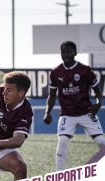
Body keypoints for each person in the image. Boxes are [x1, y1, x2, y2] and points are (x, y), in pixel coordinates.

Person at [43, 41, 105, 171]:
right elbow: (52, 95)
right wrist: (47, 112)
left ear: (75, 53)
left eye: (69, 52)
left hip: (86, 112)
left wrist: (99, 103)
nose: (65, 54)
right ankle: (59, 177)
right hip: (67, 115)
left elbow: (97, 90)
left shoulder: (85, 70)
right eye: (63, 52)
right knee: (63, 141)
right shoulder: (55, 72)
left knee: (101, 142)